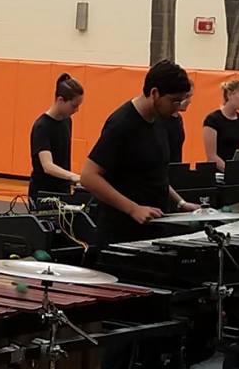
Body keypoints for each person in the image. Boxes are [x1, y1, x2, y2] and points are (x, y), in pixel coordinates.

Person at [81, 61, 201, 248]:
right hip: (121, 236)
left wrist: (180, 203)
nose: (178, 107)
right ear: (155, 93)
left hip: (153, 229)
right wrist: (133, 209)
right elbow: (88, 176)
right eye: (174, 101)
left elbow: (155, 175)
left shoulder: (160, 120)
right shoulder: (122, 124)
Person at [28, 73, 84, 209]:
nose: (77, 110)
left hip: (63, 190)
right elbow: (47, 166)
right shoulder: (42, 127)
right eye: (74, 106)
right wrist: (74, 176)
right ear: (60, 100)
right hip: (43, 193)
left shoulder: (67, 121)